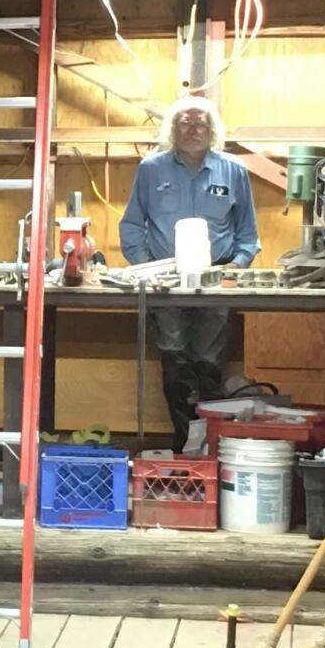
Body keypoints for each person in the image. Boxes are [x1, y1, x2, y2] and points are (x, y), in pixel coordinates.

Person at [118, 96, 260, 442]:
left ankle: (208, 447)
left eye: (200, 123)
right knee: (175, 363)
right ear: (172, 128)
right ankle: (184, 446)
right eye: (185, 122)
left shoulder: (234, 170)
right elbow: (132, 224)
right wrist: (146, 267)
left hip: (216, 282)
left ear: (212, 130)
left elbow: (248, 234)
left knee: (208, 365)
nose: (193, 130)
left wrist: (235, 268)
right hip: (166, 284)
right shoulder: (151, 169)